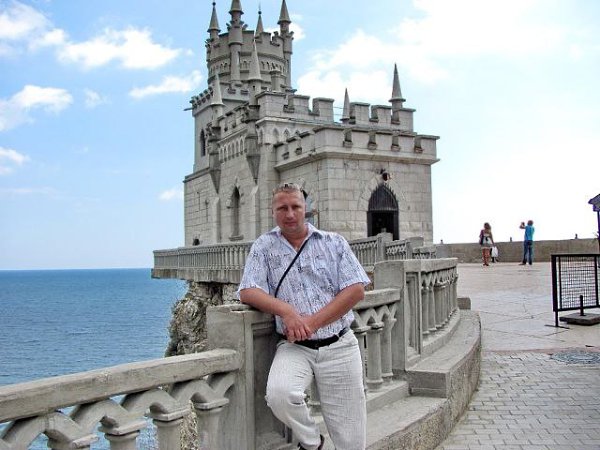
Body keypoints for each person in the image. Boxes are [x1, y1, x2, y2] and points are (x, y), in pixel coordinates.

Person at [238, 182, 370, 450]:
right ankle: (312, 443)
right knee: (280, 395)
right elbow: (248, 290)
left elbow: (356, 290)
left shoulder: (333, 242)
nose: (289, 214)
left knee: (351, 441)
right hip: (295, 346)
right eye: (282, 208)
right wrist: (286, 311)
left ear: (305, 208)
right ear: (273, 211)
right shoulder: (263, 246)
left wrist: (311, 322)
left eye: (295, 207)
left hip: (340, 345)